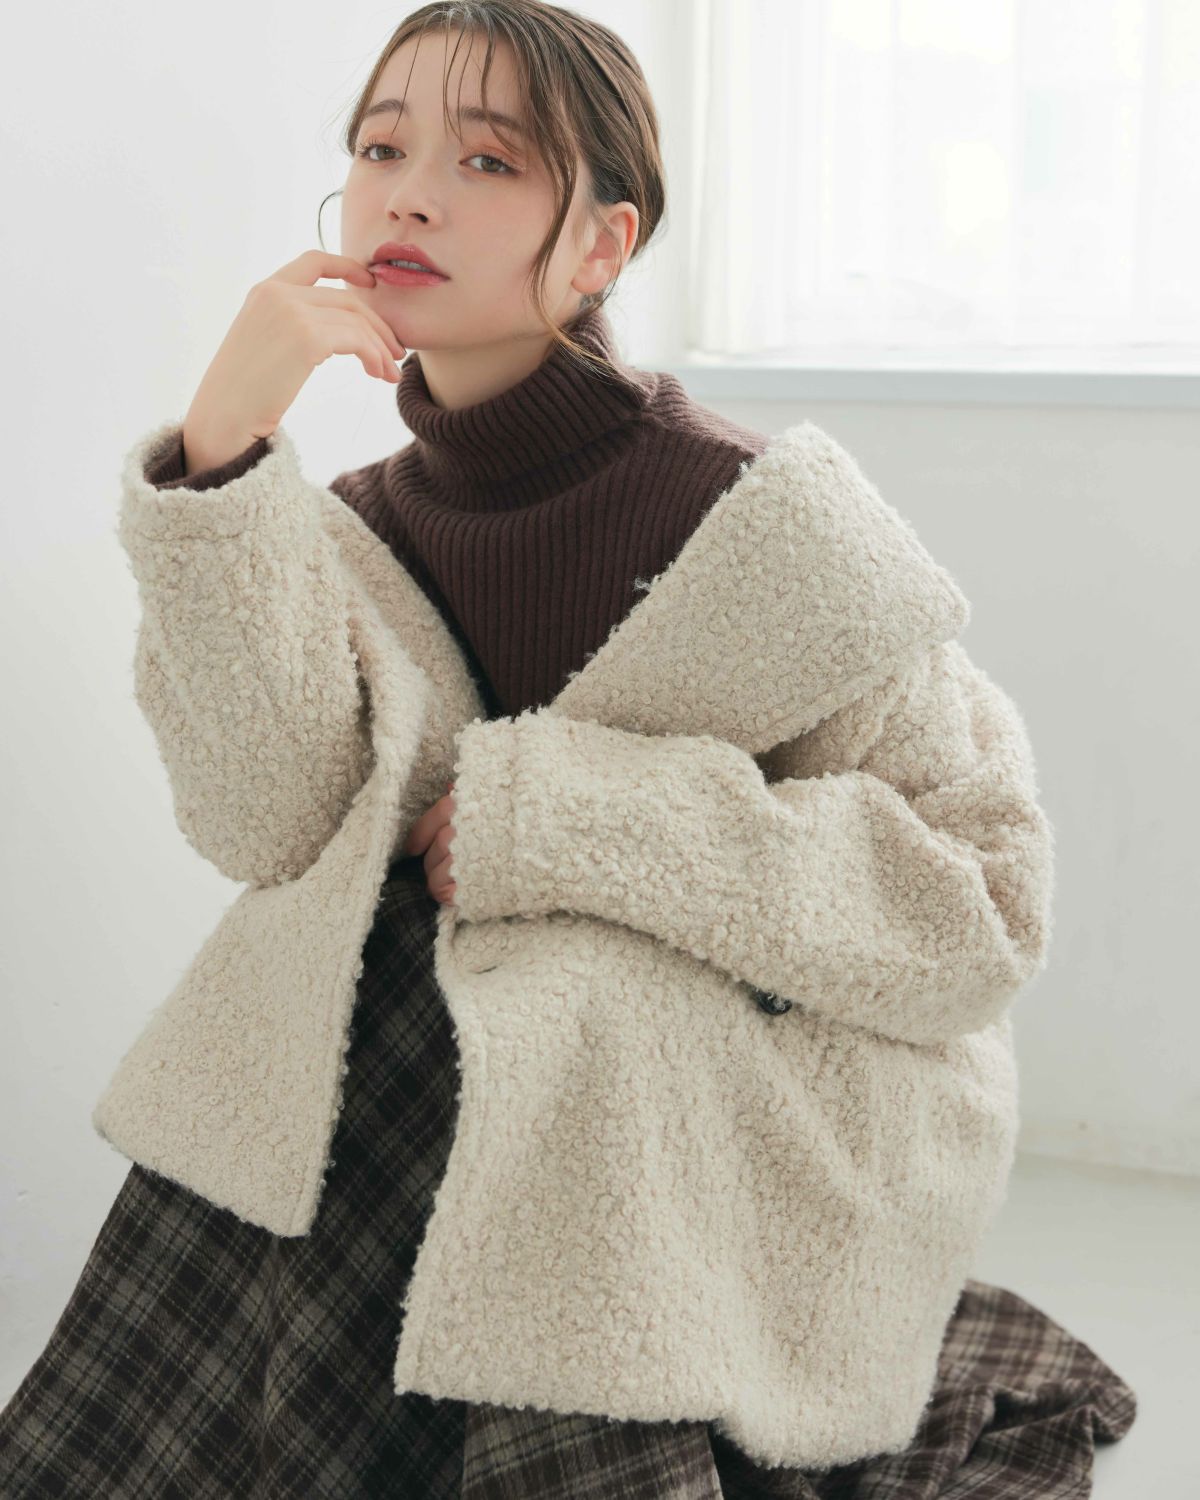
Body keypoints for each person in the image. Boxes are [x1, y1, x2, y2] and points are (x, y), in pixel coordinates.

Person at [0, 3, 1136, 1495]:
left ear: (603, 246)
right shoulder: (348, 530)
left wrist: (562, 820)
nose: (410, 195)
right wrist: (222, 453)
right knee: (363, 950)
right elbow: (268, 830)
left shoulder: (765, 527)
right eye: (381, 148)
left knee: (551, 978)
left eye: (487, 160)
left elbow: (979, 911)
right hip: (467, 1126)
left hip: (760, 1114)